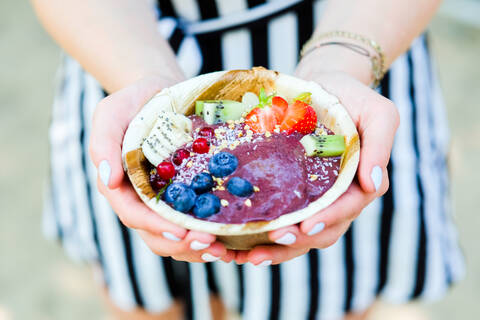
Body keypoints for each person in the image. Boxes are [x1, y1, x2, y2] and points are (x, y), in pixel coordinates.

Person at [33, 0, 464, 319]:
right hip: (122, 52)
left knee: (331, 302)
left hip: (358, 44)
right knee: (155, 303)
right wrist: (145, 80)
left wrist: (343, 63)